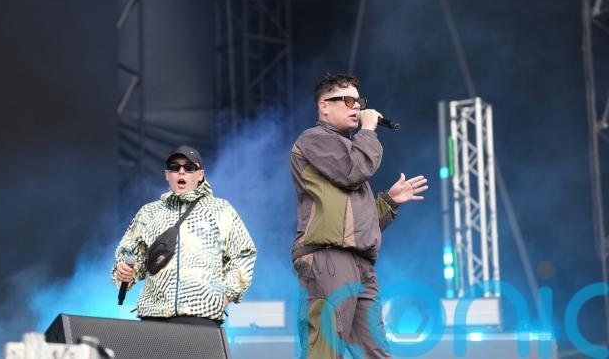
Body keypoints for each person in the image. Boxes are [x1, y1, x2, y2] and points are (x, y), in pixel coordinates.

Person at [290, 73, 428, 358]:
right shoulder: (314, 139)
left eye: (358, 101)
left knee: (375, 351)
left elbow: (354, 223)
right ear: (324, 106)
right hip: (328, 260)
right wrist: (368, 130)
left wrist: (389, 201)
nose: (356, 107)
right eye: (347, 100)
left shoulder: (349, 150)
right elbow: (352, 172)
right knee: (325, 350)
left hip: (360, 264)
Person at [112, 145, 257, 327]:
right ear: (167, 175)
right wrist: (124, 270)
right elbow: (129, 253)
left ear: (200, 175)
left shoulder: (221, 210)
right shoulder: (149, 212)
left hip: (200, 315)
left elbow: (244, 253)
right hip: (153, 315)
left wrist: (226, 295)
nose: (181, 172)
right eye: (175, 167)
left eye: (189, 168)